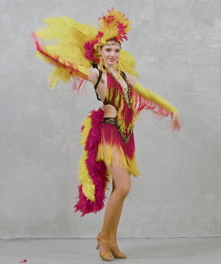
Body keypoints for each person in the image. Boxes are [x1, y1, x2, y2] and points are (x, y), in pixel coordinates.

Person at [32, 9, 180, 261]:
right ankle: (103, 238)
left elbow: (148, 94)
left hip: (127, 136)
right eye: (108, 50)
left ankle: (111, 240)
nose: (112, 54)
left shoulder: (124, 76)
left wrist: (171, 110)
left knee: (119, 190)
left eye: (116, 50)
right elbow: (70, 65)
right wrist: (44, 50)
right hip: (109, 132)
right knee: (123, 187)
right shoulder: (97, 75)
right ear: (99, 52)